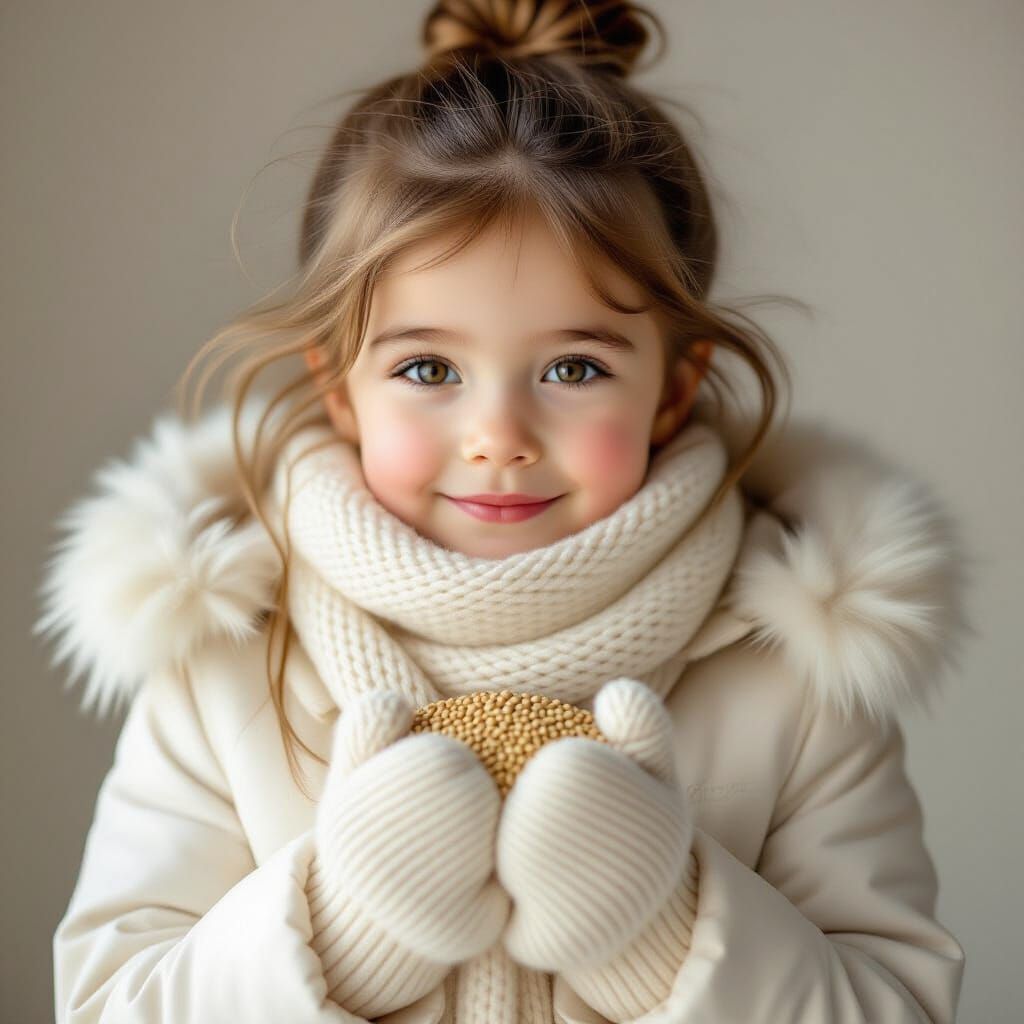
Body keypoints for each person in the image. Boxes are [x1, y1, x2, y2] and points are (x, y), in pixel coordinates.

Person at [35, 2, 974, 1021]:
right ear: (340, 387)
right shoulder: (222, 664)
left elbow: (895, 1006)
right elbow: (110, 1004)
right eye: (428, 367)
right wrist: (351, 918)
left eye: (572, 367)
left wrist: (655, 922)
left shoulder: (791, 677)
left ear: (670, 386)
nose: (498, 432)